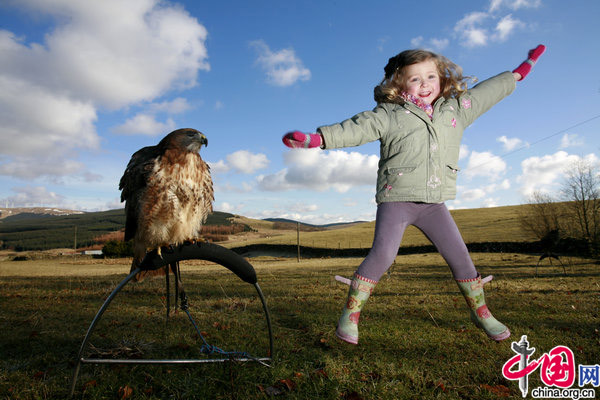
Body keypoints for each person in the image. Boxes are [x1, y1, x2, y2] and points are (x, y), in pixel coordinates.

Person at [282, 45, 546, 344]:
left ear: (442, 78)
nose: (425, 84)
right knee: (383, 255)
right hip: (397, 200)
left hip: (434, 204)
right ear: (399, 84)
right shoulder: (389, 115)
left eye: (431, 76)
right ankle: (350, 314)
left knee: (461, 258)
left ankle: (482, 312)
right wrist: (318, 139)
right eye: (415, 79)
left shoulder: (457, 109)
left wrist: (521, 70)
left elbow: (489, 91)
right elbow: (356, 128)